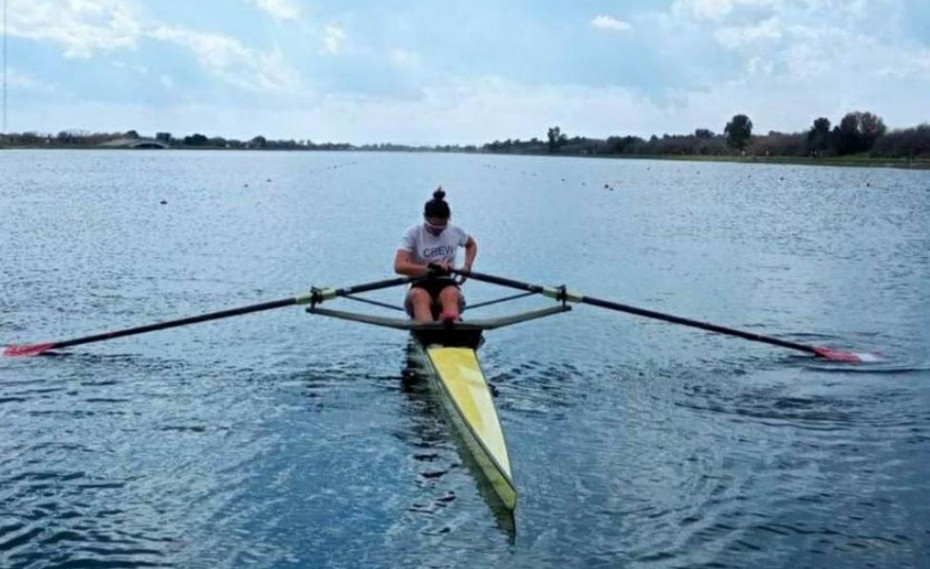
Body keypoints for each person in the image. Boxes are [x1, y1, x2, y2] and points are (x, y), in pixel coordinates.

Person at [394, 187, 477, 322]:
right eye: (433, 227)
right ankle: (428, 334)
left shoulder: (455, 232)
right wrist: (429, 269)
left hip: (446, 282)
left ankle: (454, 331)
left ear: (449, 219)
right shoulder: (413, 234)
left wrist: (467, 267)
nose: (437, 231)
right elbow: (399, 266)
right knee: (419, 296)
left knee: (451, 294)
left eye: (442, 227)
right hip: (419, 283)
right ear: (425, 217)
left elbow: (471, 245)